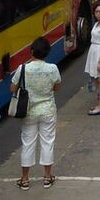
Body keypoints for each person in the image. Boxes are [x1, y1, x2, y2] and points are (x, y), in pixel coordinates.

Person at [12, 37, 61, 190]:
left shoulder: (23, 69)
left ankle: (25, 179)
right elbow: (57, 87)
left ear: (32, 51)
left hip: (29, 111)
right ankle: (47, 177)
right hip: (48, 110)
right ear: (47, 53)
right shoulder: (52, 68)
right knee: (47, 142)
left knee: (28, 143)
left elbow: (13, 88)